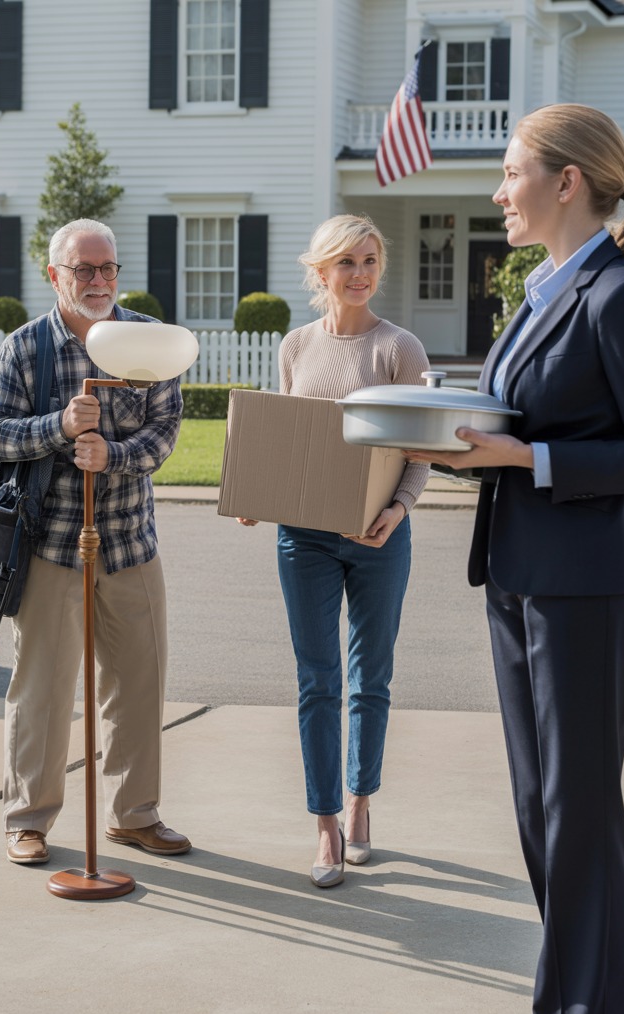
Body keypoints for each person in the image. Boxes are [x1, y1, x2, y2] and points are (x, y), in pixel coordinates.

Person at [405, 104, 624, 1014]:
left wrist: (527, 460)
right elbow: (516, 416)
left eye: (510, 172)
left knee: (579, 814)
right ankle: (580, 1006)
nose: (498, 190)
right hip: (518, 574)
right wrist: (460, 441)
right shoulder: (541, 291)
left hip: (591, 584)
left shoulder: (622, 296)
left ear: (567, 182)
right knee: (541, 811)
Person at [0, 218, 191, 865]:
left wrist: (114, 455)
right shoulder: (26, 349)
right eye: (82, 270)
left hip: (129, 541)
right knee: (42, 686)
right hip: (50, 545)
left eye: (107, 269)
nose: (97, 281)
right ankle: (28, 818)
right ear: (55, 276)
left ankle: (134, 814)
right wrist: (57, 427)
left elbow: (164, 433)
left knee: (138, 682)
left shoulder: (149, 343)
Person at [240, 214, 430, 887]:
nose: (360, 274)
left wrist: (398, 509)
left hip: (381, 536)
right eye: (346, 262)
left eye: (370, 259)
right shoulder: (296, 346)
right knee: (317, 680)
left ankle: (361, 802)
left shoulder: (400, 349)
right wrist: (259, 495)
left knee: (368, 679)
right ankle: (324, 826)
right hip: (306, 540)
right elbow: (295, 446)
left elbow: (420, 449)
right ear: (320, 273)